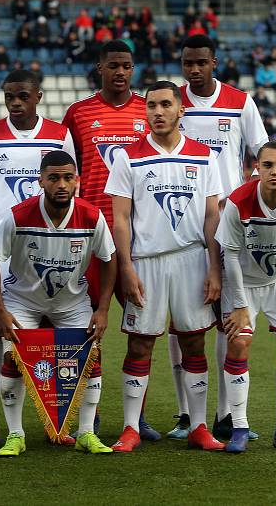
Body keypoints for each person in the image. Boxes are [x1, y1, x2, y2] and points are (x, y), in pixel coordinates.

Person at [105, 81, 224, 452]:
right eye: (151, 105)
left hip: (191, 259)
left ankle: (200, 427)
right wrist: (126, 268)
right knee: (140, 344)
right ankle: (130, 428)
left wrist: (214, 268)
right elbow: (120, 219)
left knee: (193, 340)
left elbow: (211, 216)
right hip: (147, 261)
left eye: (165, 105)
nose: (157, 112)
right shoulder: (128, 156)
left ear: (180, 110)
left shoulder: (205, 156)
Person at [0, 69, 75, 443]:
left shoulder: (59, 134)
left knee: (52, 330)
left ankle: (57, 415)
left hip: (47, 248)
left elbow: (70, 184)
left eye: (22, 95)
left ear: (38, 96)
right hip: (0, 250)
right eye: (9, 95)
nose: (15, 102)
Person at [0, 150, 116, 456]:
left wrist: (104, 308)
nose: (61, 184)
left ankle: (85, 433)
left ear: (77, 181)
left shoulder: (91, 216)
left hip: (72, 303)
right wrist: (0, 311)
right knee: (11, 358)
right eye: (54, 177)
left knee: (91, 356)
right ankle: (15, 435)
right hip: (23, 301)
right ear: (40, 181)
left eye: (68, 177)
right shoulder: (18, 215)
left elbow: (109, 260)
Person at [61, 39, 160, 441]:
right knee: (88, 326)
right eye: (113, 65)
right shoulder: (78, 113)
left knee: (142, 327)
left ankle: (139, 417)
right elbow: (67, 168)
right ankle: (91, 413)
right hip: (92, 236)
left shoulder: (147, 110)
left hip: (140, 238)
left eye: (127, 65)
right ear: (99, 68)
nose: (120, 72)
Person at [178, 34, 268, 441]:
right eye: (187, 63)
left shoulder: (239, 101)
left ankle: (223, 413)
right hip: (180, 221)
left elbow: (262, 152)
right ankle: (185, 414)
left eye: (200, 62)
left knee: (224, 319)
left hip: (227, 223)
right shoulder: (173, 101)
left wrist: (244, 193)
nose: (193, 69)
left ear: (214, 62)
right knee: (184, 320)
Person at [216, 140, 276, 453]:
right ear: (255, 168)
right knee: (238, 342)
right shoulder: (238, 201)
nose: (274, 171)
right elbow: (230, 256)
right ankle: (240, 428)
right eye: (268, 165)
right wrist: (241, 306)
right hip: (242, 283)